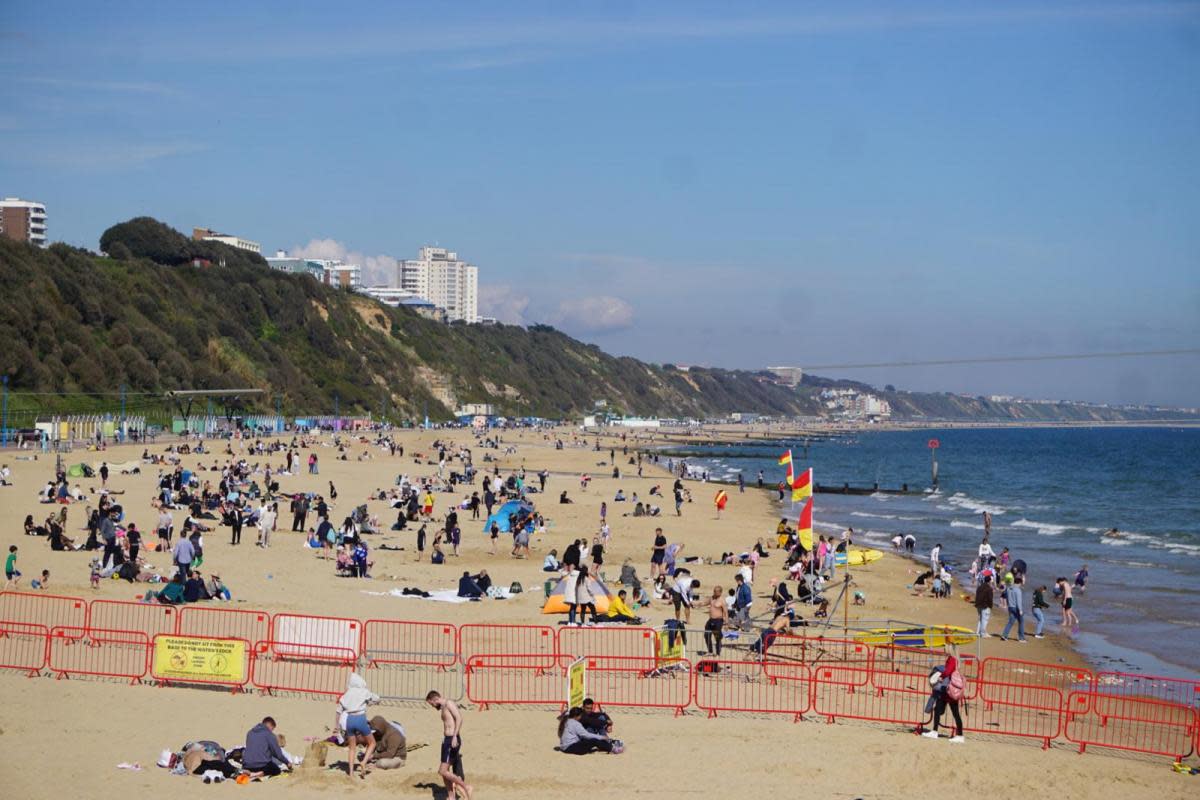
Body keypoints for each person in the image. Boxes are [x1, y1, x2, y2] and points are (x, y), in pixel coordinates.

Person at [426, 691, 472, 799]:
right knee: (444, 772)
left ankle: (465, 787)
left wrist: (455, 735)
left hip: (452, 739)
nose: (433, 706)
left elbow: (459, 718)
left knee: (442, 771)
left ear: (435, 699)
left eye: (432, 704)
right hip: (447, 740)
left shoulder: (449, 703)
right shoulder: (443, 707)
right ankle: (451, 796)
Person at [337, 673, 380, 778]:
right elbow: (377, 698)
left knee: (352, 748)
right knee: (372, 743)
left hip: (350, 719)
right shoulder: (363, 691)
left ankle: (351, 773)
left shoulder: (347, 694)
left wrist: (336, 727)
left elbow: (339, 710)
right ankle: (364, 762)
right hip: (360, 718)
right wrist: (370, 702)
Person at [922, 652, 965, 743]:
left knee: (954, 712)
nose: (944, 650)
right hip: (947, 690)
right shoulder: (953, 659)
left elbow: (948, 671)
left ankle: (959, 735)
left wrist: (941, 676)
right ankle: (935, 731)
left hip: (948, 690)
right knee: (939, 709)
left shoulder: (952, 659)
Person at [1000, 574, 1026, 642]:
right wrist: (1020, 610)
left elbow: (1007, 598)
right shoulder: (1018, 590)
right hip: (1016, 608)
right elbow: (1019, 601)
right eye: (1021, 583)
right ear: (1019, 583)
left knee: (1010, 622)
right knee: (1021, 622)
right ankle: (1021, 638)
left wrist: (1008, 605)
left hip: (1010, 607)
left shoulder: (1009, 588)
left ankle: (1004, 635)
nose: (1021, 585)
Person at [704, 585, 728, 655]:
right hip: (710, 620)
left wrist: (726, 624)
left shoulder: (722, 601)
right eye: (714, 591)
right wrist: (696, 604)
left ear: (720, 592)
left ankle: (718, 652)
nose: (714, 592)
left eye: (716, 591)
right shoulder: (711, 598)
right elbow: (704, 603)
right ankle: (710, 651)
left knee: (717, 637)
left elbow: (726, 612)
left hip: (718, 620)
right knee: (706, 635)